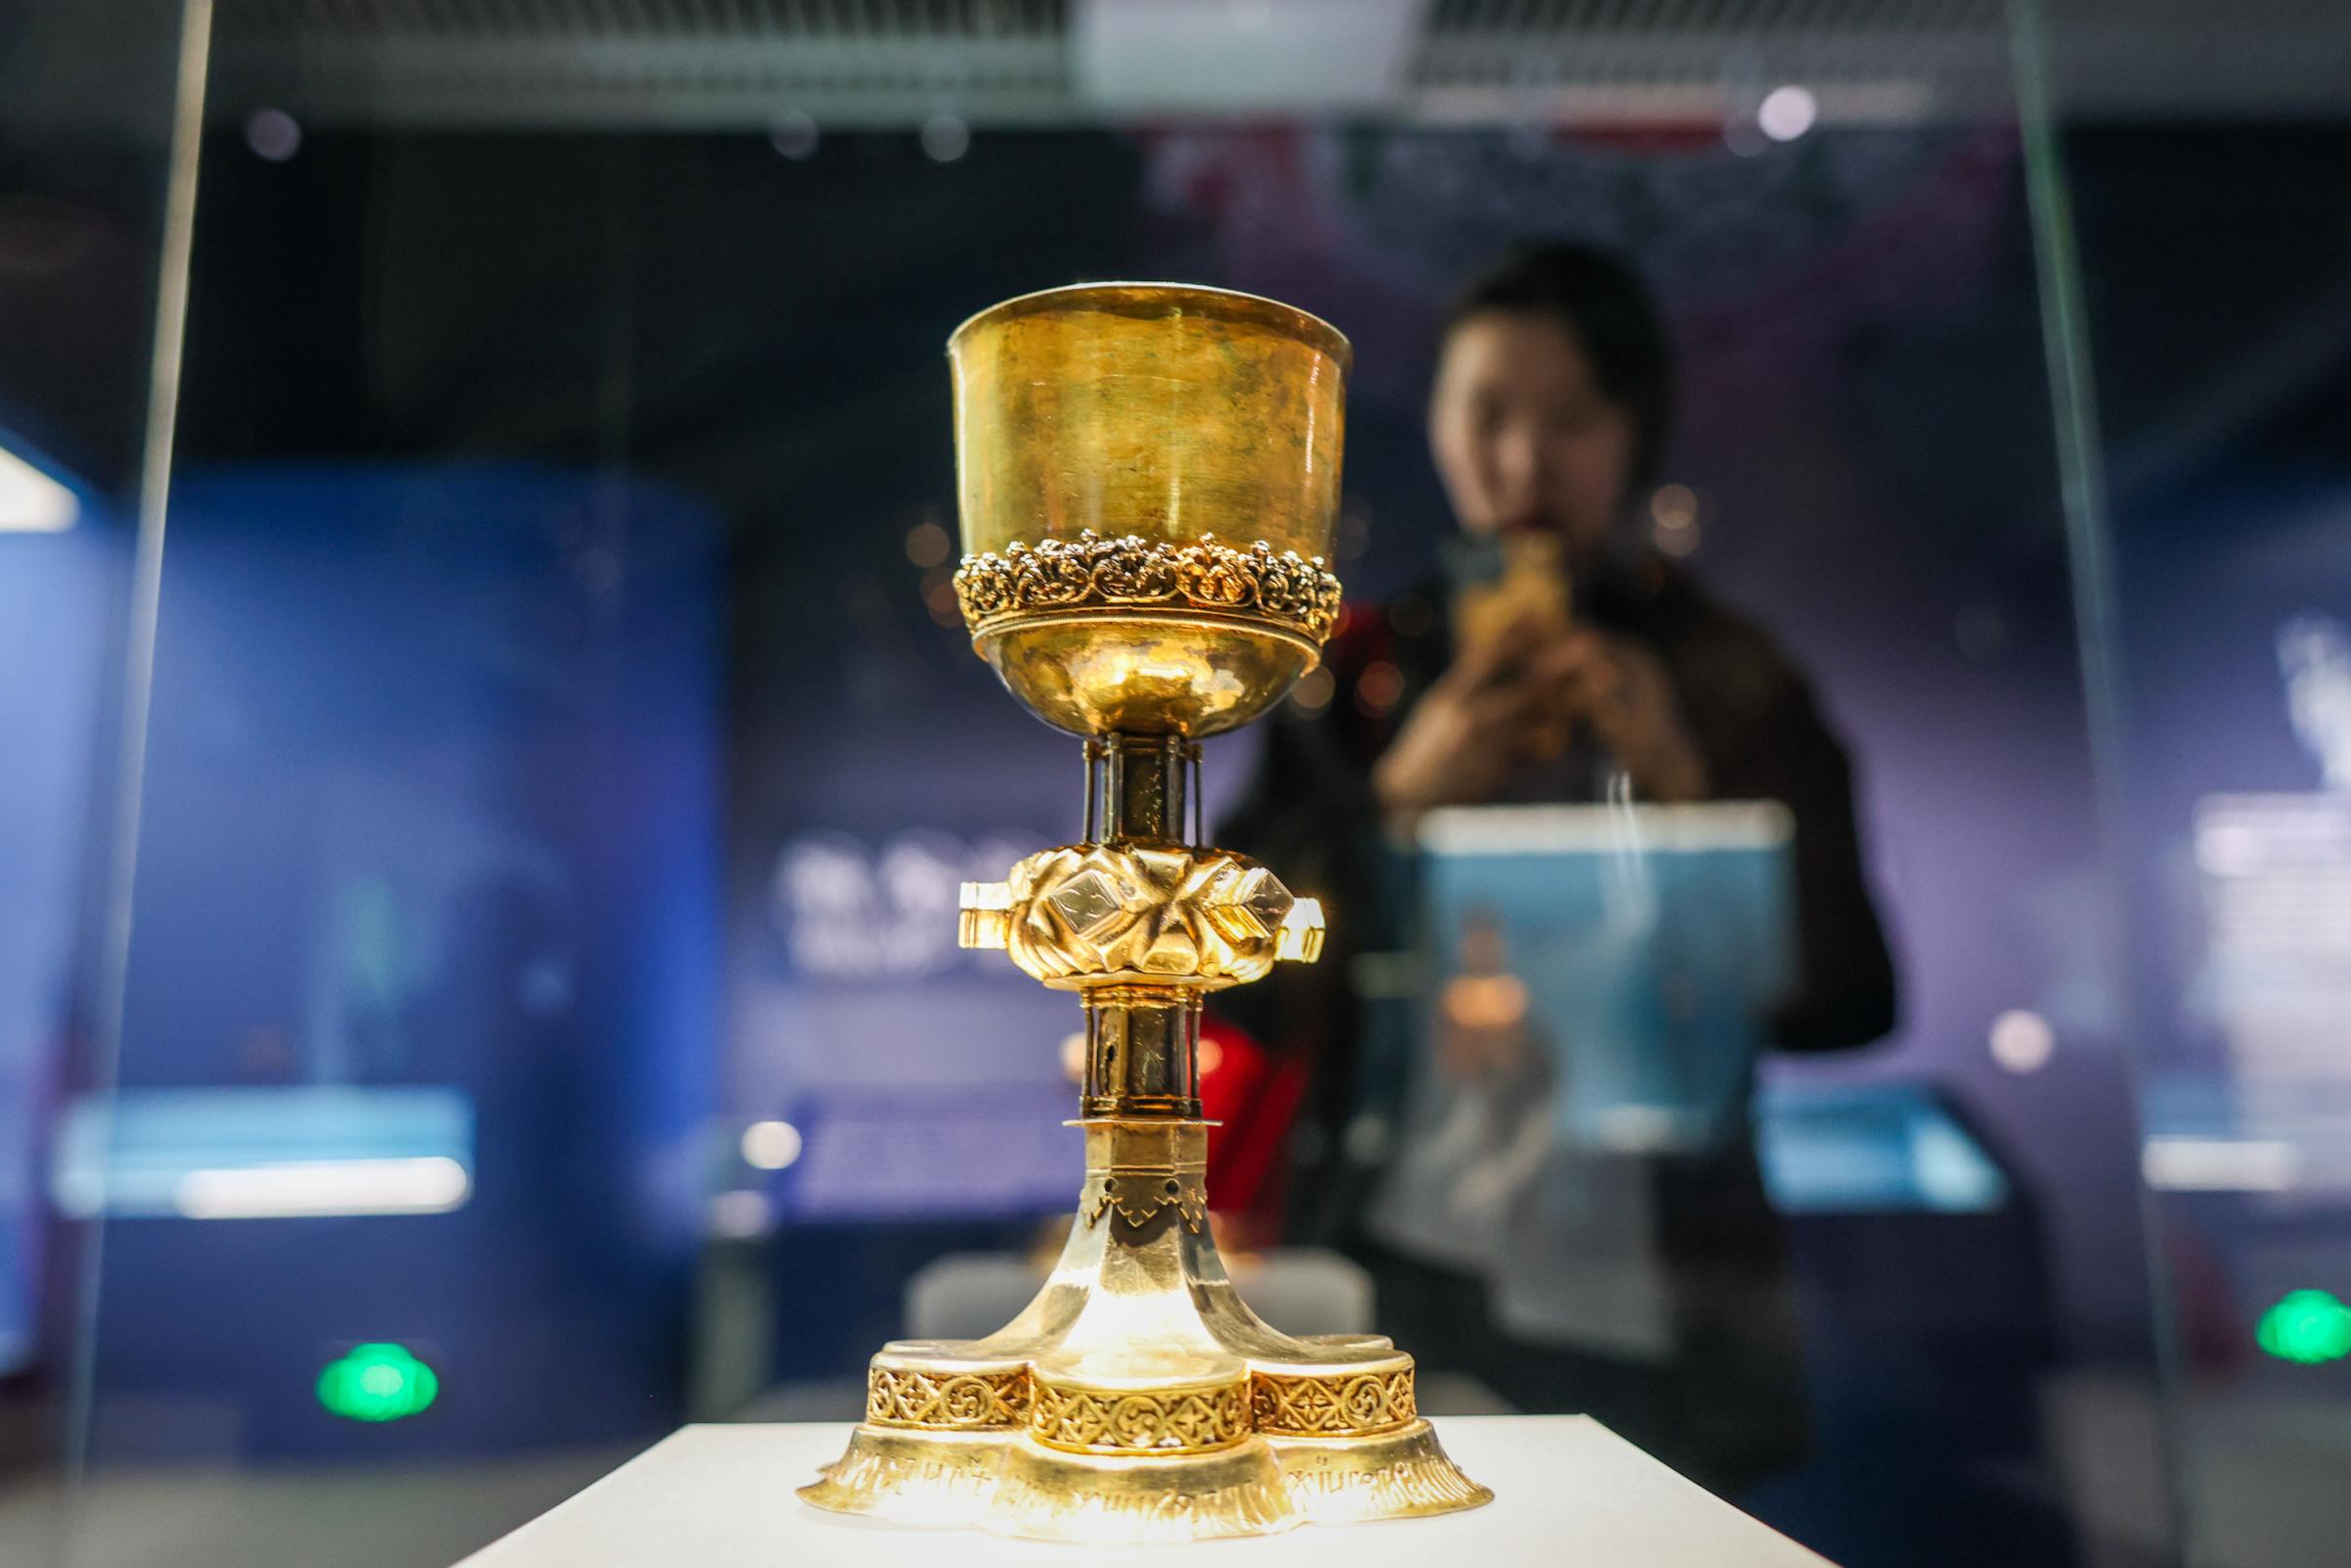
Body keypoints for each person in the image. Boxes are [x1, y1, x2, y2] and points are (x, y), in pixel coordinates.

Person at [1213, 241, 1897, 1493]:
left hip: (1661, 1278)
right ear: (1435, 425)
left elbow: (1851, 998)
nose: (1524, 461)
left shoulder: (1732, 676)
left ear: (1636, 433)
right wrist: (1396, 797)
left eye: (1571, 418)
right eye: (1487, 414)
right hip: (1393, 1248)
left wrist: (1686, 782)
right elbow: (1229, 978)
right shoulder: (1353, 673)